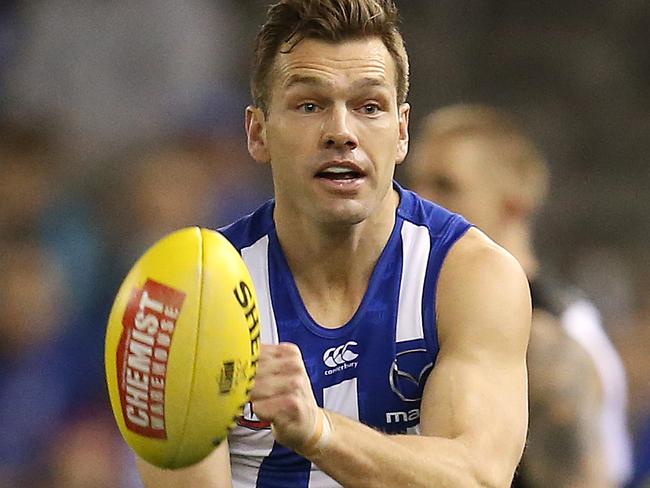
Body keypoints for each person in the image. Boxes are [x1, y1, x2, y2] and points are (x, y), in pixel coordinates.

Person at [136, 1, 531, 487]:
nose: (342, 132)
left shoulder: (469, 275)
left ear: (401, 132)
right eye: (310, 105)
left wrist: (318, 431)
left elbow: (477, 477)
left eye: (369, 107)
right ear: (257, 133)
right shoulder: (191, 300)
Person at [405, 103, 633, 487]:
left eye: (445, 185)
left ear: (514, 203)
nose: (417, 203)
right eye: (415, 182)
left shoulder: (549, 333)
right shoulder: (443, 303)